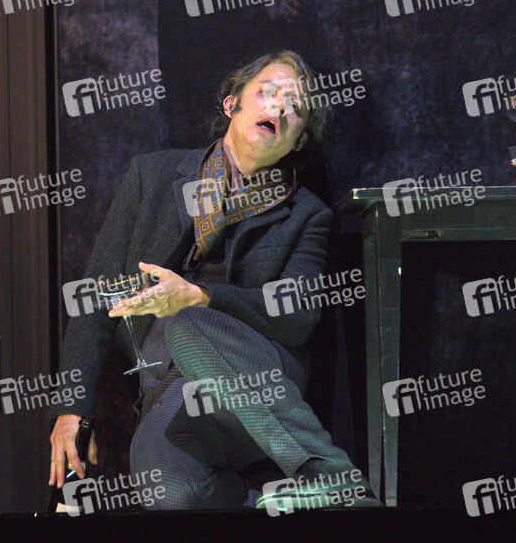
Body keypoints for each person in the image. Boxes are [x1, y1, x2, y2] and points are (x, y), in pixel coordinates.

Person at [49, 50, 378, 510]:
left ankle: (329, 475)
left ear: (299, 140)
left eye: (295, 107)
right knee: (166, 485)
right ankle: (261, 499)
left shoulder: (308, 214)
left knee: (188, 324)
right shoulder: (152, 176)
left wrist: (199, 296)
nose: (279, 107)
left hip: (258, 383)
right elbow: (94, 295)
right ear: (231, 104)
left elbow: (298, 315)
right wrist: (72, 409)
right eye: (267, 92)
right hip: (170, 385)